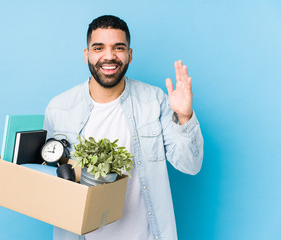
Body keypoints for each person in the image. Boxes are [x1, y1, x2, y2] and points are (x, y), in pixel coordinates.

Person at [43, 15, 203, 240]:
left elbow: (190, 166)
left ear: (130, 54)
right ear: (86, 54)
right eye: (99, 48)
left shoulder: (154, 100)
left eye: (118, 48)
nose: (109, 56)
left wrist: (184, 117)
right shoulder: (59, 108)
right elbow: (49, 182)